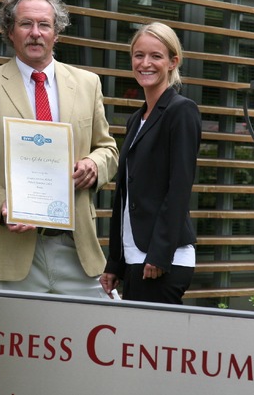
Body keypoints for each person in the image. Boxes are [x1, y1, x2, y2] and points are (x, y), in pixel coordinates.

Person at [0, 0, 118, 297]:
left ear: (57, 32)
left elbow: (107, 148)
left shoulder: (88, 84)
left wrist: (94, 165)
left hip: (75, 246)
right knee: (7, 343)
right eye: (25, 24)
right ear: (10, 31)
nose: (35, 33)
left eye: (44, 25)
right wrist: (2, 205)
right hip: (7, 250)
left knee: (87, 338)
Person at [99, 22, 201, 304]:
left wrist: (160, 254)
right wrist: (115, 262)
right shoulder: (136, 119)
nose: (145, 63)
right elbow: (125, 194)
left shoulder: (181, 111)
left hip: (162, 260)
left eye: (156, 56)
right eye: (138, 55)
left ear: (172, 62)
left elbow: (179, 187)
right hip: (135, 258)